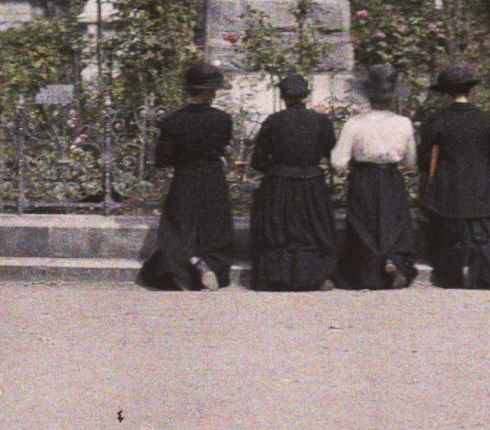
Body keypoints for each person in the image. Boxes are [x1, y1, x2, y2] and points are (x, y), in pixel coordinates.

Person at [418, 65, 490, 289]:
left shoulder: (437, 120)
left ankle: (459, 267)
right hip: (484, 194)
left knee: (449, 239)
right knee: (489, 239)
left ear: (445, 94)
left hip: (449, 196)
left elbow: (424, 159)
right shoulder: (487, 120)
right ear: (469, 91)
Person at [137, 62, 237, 290]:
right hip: (213, 177)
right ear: (207, 91)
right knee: (215, 226)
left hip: (186, 177)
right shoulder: (222, 119)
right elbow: (222, 146)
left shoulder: (173, 121)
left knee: (179, 226)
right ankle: (210, 264)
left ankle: (190, 262)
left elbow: (164, 158)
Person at [330, 63, 419, 289]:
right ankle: (394, 260)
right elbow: (410, 162)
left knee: (363, 224)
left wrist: (343, 169)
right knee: (395, 223)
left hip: (364, 177)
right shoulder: (404, 123)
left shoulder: (354, 124)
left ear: (367, 94)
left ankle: (368, 266)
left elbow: (338, 161)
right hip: (391, 176)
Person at [247, 73, 339, 291]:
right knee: (313, 232)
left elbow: (257, 160)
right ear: (305, 96)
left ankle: (277, 276)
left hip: (280, 186)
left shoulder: (273, 121)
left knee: (279, 233)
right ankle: (317, 275)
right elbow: (331, 153)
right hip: (312, 184)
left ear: (284, 97)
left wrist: (278, 170)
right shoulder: (321, 121)